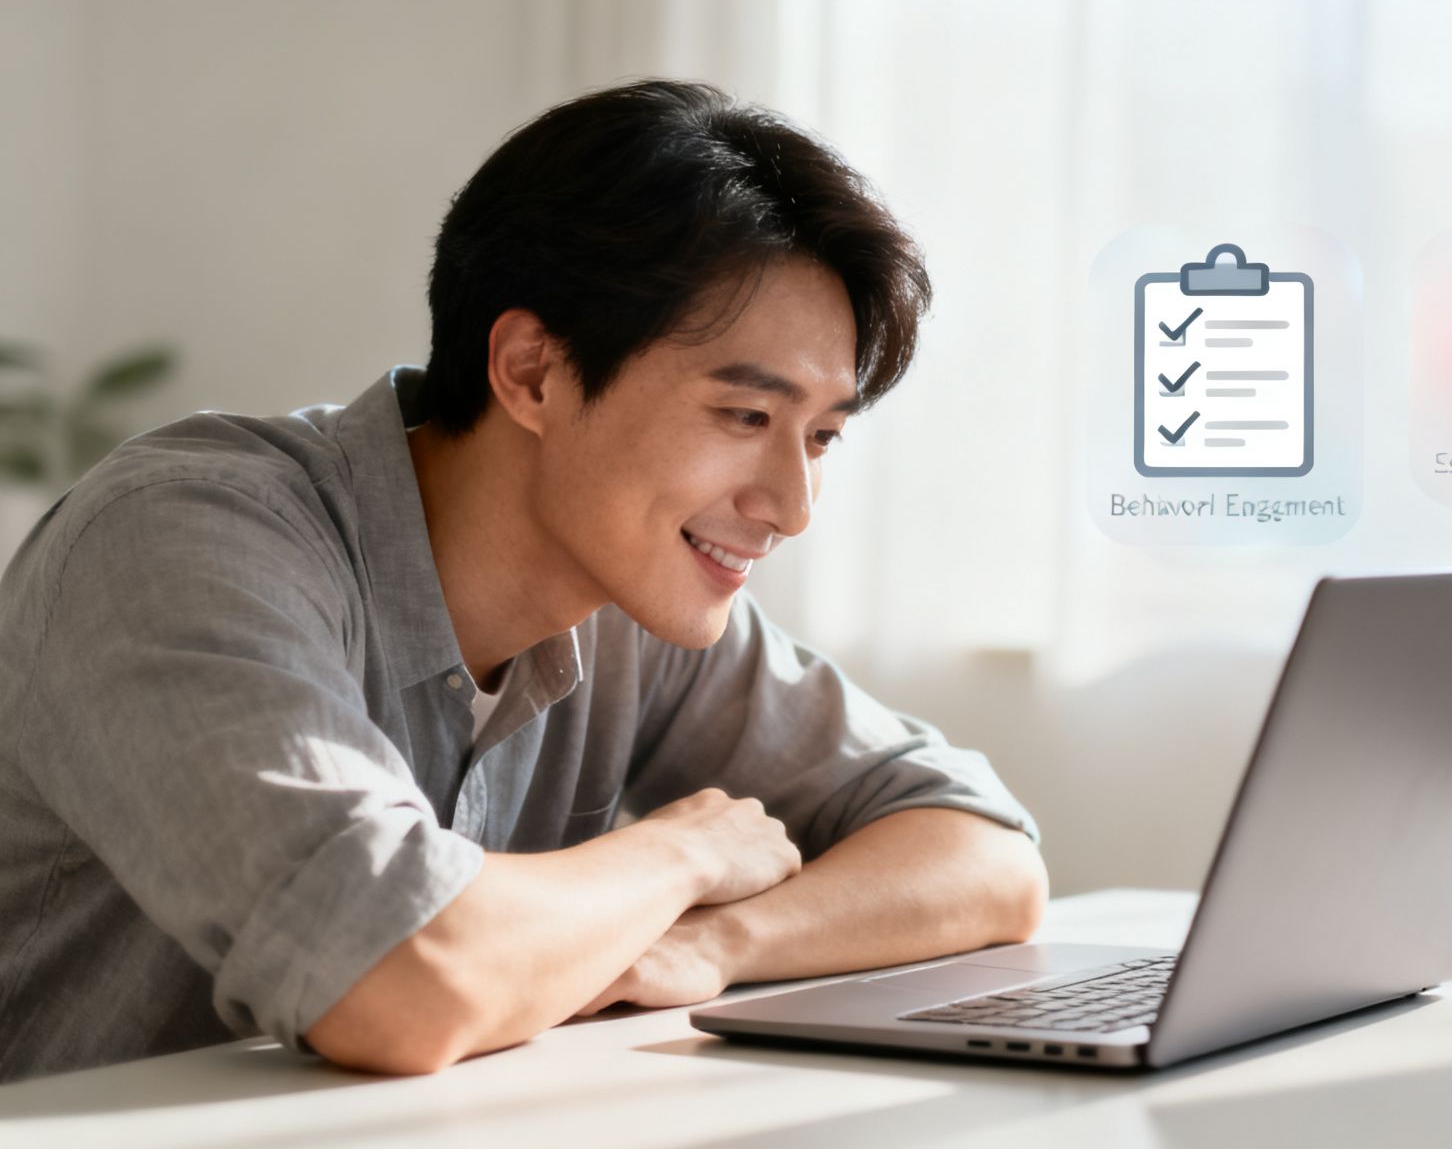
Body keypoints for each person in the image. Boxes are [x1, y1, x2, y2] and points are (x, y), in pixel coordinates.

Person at [0, 80, 1046, 1083]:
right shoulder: (182, 541)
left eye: (820, 436)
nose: (791, 503)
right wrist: (677, 857)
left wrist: (724, 940)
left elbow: (984, 855)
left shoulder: (633, 587)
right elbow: (400, 979)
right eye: (744, 417)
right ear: (532, 372)